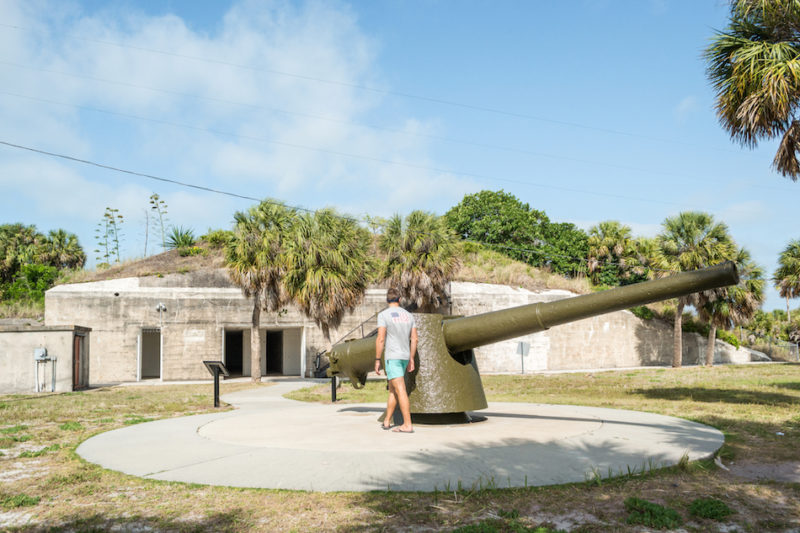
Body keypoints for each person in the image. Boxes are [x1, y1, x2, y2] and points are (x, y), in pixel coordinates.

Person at [374, 287, 418, 433]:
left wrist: (377, 359)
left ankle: (407, 424)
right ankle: (387, 421)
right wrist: (411, 358)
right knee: (392, 389)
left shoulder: (384, 315)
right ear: (399, 300)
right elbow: (414, 339)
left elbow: (380, 339)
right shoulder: (409, 316)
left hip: (392, 357)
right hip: (405, 356)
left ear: (387, 301)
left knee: (400, 389)